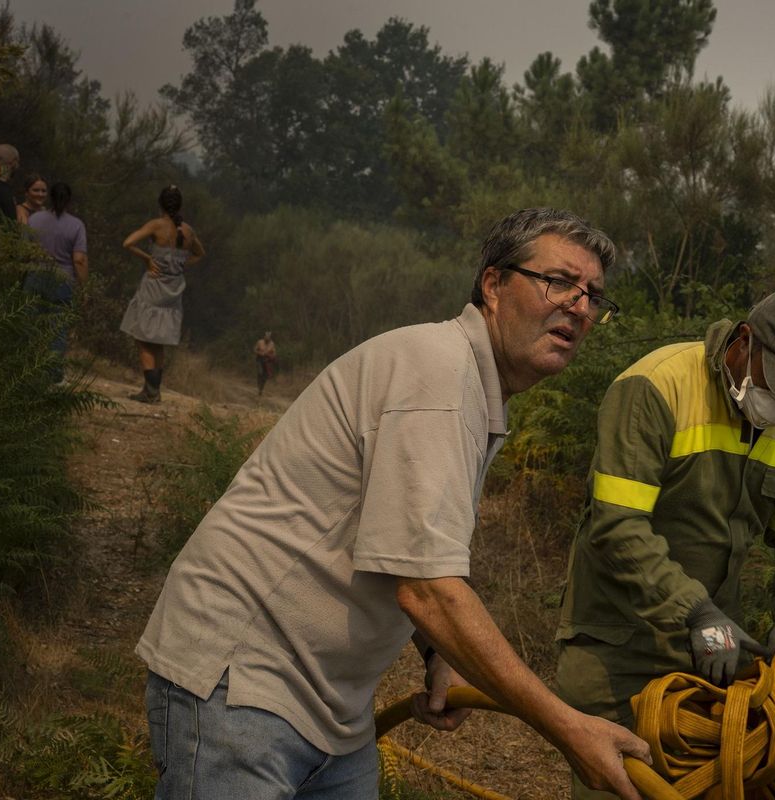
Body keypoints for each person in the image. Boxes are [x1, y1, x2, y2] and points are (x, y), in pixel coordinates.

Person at [136, 208, 652, 800]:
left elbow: (402, 544)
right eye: (558, 281)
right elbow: (428, 588)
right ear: (493, 284)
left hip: (330, 710)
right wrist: (569, 728)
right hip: (245, 684)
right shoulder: (437, 376)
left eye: (593, 295)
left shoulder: (473, 390)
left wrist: (436, 650)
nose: (580, 307)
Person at [554, 285, 775, 799]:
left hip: (712, 654)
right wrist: (695, 612)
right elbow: (617, 524)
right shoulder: (657, 384)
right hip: (616, 644)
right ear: (744, 342)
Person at [120, 185, 204, 404]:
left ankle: (150, 390)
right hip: (173, 290)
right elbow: (200, 253)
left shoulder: (156, 225)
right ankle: (154, 390)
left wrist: (147, 259)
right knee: (158, 341)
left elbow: (128, 242)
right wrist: (180, 265)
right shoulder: (187, 230)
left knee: (142, 337)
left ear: (160, 204)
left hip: (153, 287)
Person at [25, 182, 88, 383]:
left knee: (29, 326)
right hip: (63, 280)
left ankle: (25, 371)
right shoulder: (76, 225)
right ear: (69, 200)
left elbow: (25, 249)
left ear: (50, 197)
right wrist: (83, 287)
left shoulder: (35, 219)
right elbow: (78, 259)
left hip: (35, 275)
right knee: (57, 329)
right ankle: (54, 376)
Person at [254, 330, 277, 396]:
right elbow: (255, 350)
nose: (267, 338)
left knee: (265, 375)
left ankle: (261, 389)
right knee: (260, 373)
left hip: (267, 361)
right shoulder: (260, 342)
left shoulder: (272, 344)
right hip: (259, 359)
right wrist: (260, 353)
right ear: (264, 336)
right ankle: (259, 387)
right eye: (266, 337)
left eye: (268, 337)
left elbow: (274, 353)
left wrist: (271, 356)